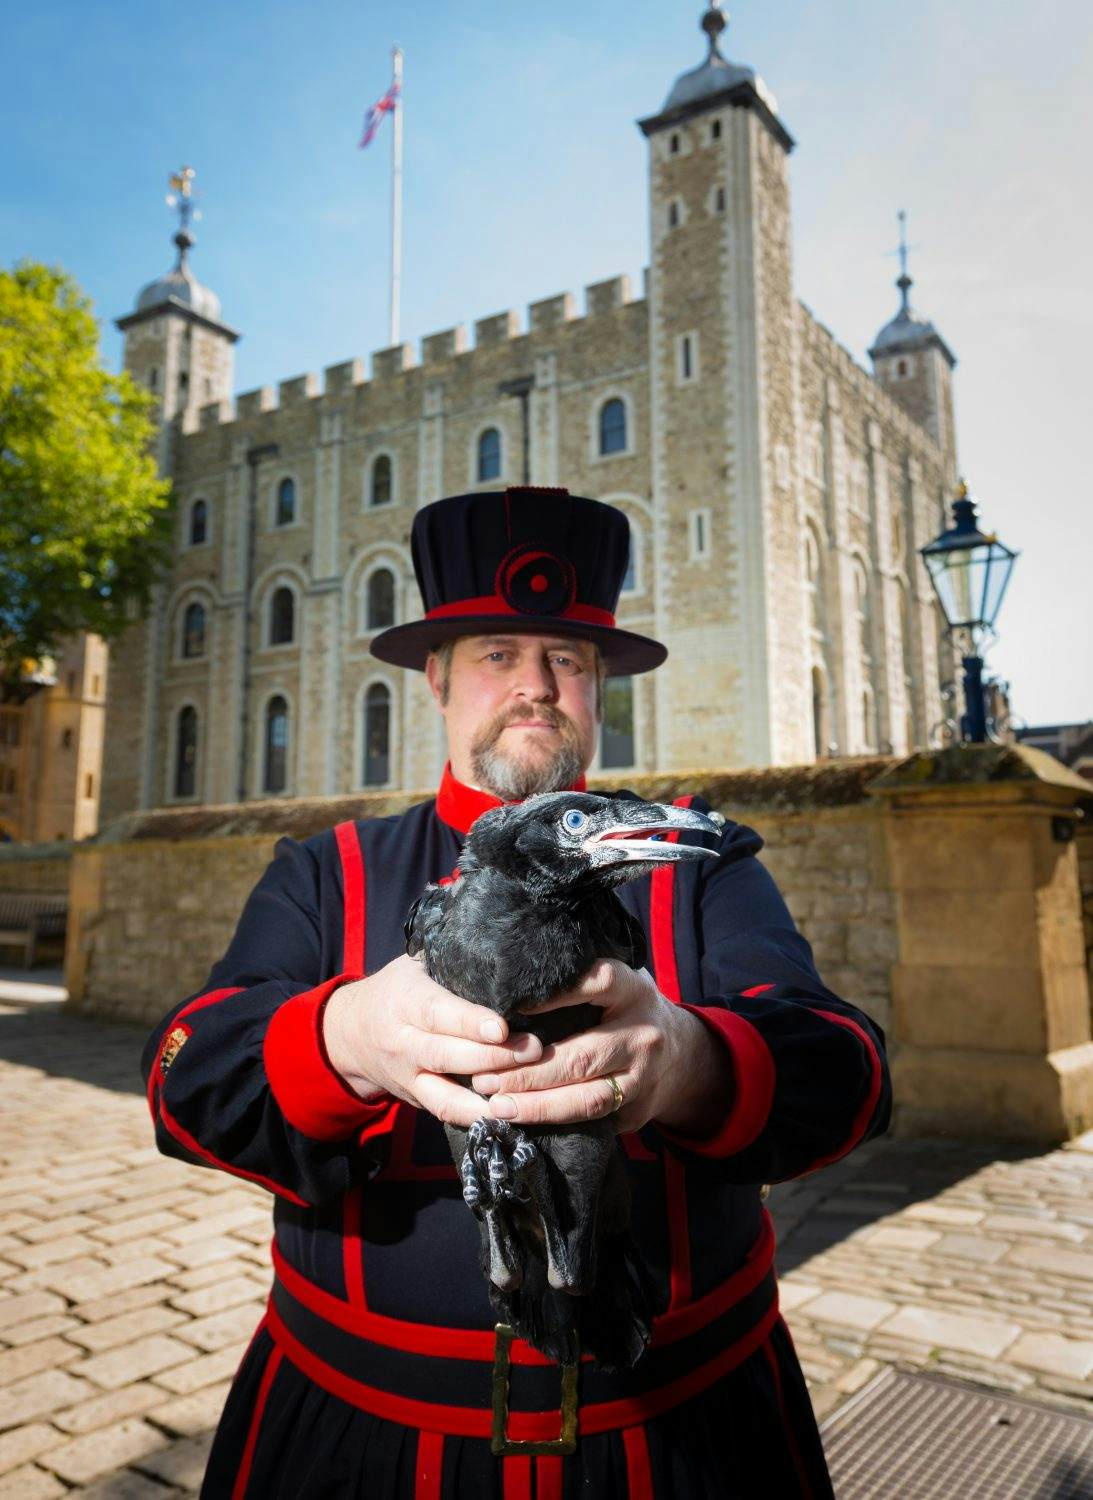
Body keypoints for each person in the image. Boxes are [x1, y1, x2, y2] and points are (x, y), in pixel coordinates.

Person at [142, 487, 891, 1499]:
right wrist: (345, 1036)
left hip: (685, 1438)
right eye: (499, 654)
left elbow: (847, 1074)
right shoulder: (324, 871)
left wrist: (692, 1062)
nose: (536, 686)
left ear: (597, 690)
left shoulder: (698, 864)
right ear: (437, 681)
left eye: (569, 661)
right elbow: (181, 1080)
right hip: (361, 1444)